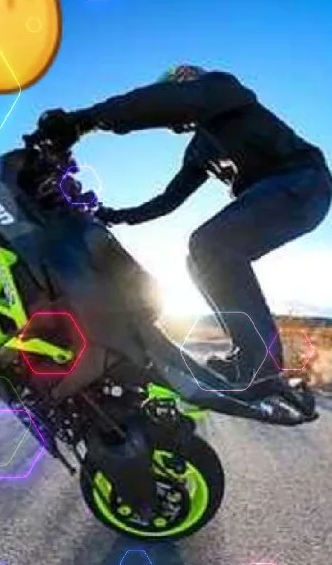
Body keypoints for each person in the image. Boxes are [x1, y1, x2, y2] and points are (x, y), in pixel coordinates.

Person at [36, 65, 332, 386]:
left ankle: (262, 367)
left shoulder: (220, 87)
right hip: (287, 199)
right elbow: (168, 200)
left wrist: (83, 120)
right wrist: (113, 215)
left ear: (185, 79)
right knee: (201, 260)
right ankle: (251, 359)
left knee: (211, 245)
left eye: (175, 93)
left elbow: (164, 103)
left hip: (303, 180)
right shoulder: (200, 148)